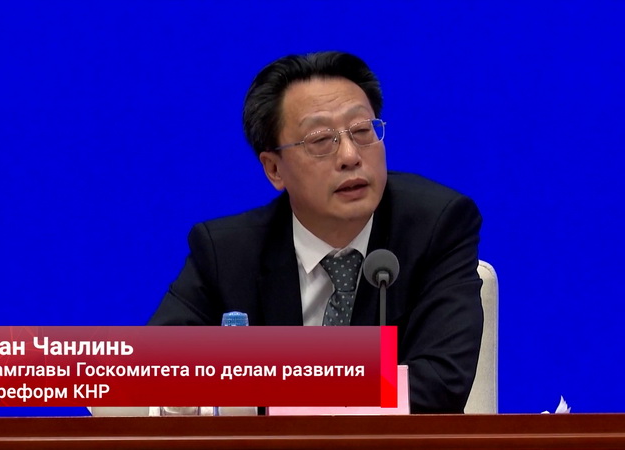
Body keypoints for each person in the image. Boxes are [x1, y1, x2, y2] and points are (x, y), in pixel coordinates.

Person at [149, 51, 483, 414]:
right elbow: (149, 373)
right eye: (321, 140)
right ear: (274, 169)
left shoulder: (436, 225)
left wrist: (270, 379)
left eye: (363, 131)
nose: (351, 156)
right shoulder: (227, 251)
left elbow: (441, 383)